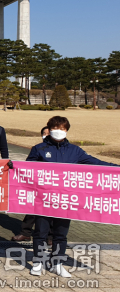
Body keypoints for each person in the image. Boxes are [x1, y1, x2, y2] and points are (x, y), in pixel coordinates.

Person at [24, 116, 116, 278]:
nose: (59, 131)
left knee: (60, 234)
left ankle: (57, 263)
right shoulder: (39, 148)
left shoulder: (75, 151)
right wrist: (13, 167)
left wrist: (116, 168)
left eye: (63, 129)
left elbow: (95, 163)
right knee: (40, 232)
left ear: (67, 131)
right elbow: (26, 169)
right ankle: (38, 262)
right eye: (56, 128)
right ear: (49, 129)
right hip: (43, 199)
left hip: (65, 200)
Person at [12, 125, 52, 242]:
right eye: (45, 133)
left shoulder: (60, 150)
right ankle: (25, 233)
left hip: (53, 186)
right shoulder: (38, 148)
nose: (47, 135)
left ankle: (51, 237)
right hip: (37, 184)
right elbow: (28, 164)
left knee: (52, 212)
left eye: (49, 133)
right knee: (32, 210)